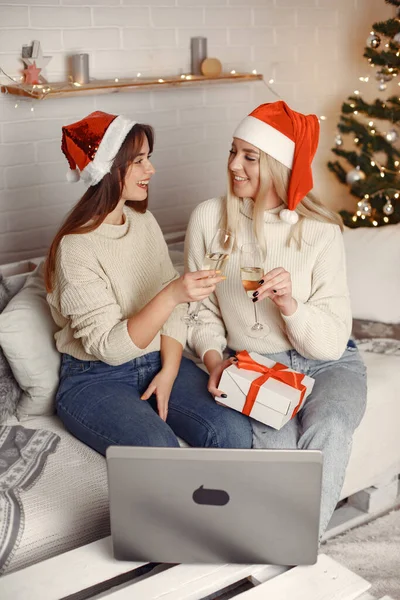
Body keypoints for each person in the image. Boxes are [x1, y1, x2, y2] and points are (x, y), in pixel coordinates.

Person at [184, 101, 367, 536]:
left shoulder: (320, 232)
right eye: (233, 152)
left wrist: (290, 304)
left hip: (329, 362)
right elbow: (199, 311)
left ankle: (295, 559)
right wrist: (215, 360)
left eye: (250, 157)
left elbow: (329, 343)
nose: (234, 165)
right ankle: (279, 548)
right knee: (279, 447)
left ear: (279, 165)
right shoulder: (210, 219)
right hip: (259, 365)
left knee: (330, 426)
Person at [45, 110, 253, 456]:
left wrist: (170, 370)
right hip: (94, 377)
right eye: (139, 161)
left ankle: (224, 512)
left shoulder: (144, 222)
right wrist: (172, 294)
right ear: (110, 168)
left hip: (157, 359)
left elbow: (173, 315)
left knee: (230, 430)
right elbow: (110, 349)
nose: (150, 170)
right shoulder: (75, 247)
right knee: (158, 450)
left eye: (148, 159)